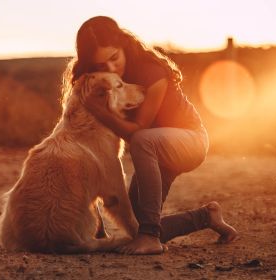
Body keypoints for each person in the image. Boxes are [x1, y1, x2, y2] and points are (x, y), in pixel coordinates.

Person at [61, 16, 238, 255]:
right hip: (156, 150)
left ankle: (150, 238)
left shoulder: (151, 72)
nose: (111, 68)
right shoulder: (104, 81)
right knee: (135, 227)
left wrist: (99, 111)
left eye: (114, 57)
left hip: (189, 141)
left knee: (143, 141)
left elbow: (138, 132)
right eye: (102, 65)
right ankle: (206, 217)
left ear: (124, 44)